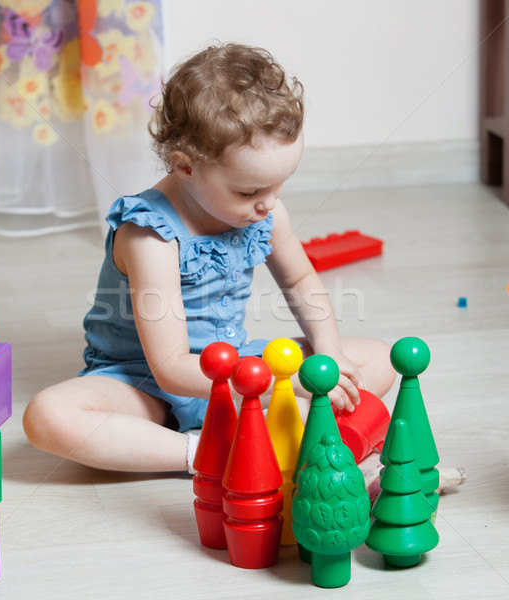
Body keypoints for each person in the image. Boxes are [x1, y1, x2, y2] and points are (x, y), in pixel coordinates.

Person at [23, 43, 395, 474]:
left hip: (233, 364)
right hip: (147, 383)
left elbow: (300, 282)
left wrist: (328, 357)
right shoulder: (150, 236)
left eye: (280, 186)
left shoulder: (264, 208)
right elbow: (170, 370)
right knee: (48, 417)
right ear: (185, 167)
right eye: (249, 191)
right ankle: (208, 454)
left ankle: (256, 435)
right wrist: (278, 384)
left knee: (379, 358)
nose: (269, 205)